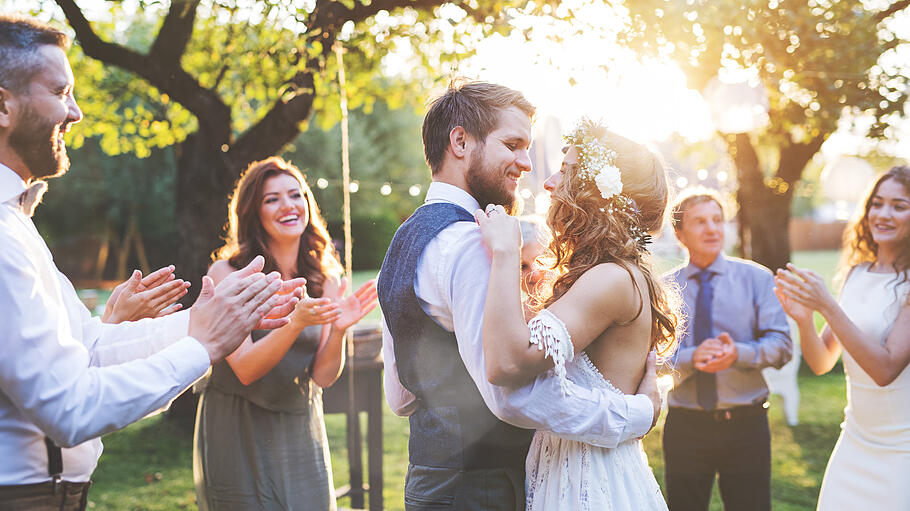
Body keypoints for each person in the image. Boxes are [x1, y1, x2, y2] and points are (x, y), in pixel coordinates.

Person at [0, 15, 301, 509]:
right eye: (60, 92)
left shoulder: (16, 223)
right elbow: (70, 408)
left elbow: (90, 348)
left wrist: (201, 321)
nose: (75, 112)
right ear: (3, 104)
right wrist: (203, 343)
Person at [378, 81, 662, 511]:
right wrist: (639, 414)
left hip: (430, 479)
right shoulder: (475, 243)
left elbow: (402, 396)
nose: (527, 165)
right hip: (483, 485)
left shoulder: (406, 239)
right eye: (512, 145)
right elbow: (511, 395)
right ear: (460, 141)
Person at [476, 119, 679, 510]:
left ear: (598, 192)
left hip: (592, 483)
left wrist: (504, 254)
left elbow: (504, 365)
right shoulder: (612, 273)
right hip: (573, 469)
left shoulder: (612, 279)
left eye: (566, 172)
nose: (549, 182)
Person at [194, 156, 378, 511]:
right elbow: (245, 369)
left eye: (295, 195)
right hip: (237, 424)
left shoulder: (326, 278)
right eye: (271, 198)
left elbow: (323, 377)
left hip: (299, 422)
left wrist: (338, 331)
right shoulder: (228, 273)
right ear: (253, 211)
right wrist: (295, 323)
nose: (288, 206)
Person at [774, 166, 910, 510]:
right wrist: (805, 320)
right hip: (854, 441)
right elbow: (821, 362)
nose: (883, 214)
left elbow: (886, 369)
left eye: (899, 205)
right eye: (877, 203)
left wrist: (828, 305)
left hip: (902, 450)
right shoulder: (857, 273)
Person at [663, 190, 792, 511]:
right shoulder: (663, 288)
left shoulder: (757, 279)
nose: (712, 229)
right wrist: (691, 358)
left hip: (746, 425)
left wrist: (740, 354)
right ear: (679, 234)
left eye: (717, 220)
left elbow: (782, 346)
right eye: (700, 222)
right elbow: (648, 359)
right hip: (685, 426)